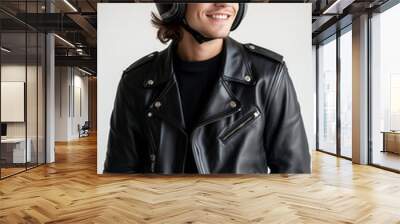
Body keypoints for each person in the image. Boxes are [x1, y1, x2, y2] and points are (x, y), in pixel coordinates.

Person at [104, 3, 311, 174]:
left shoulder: (269, 75)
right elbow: (119, 178)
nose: (225, 4)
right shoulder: (137, 82)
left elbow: (293, 176)